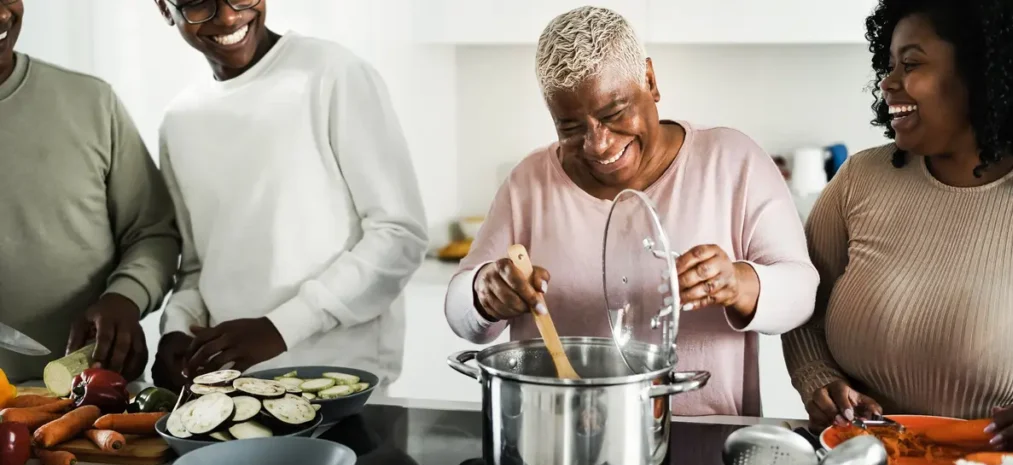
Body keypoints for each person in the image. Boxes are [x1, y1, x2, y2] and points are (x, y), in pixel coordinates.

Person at [444, 6, 818, 417]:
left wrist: (738, 283)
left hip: (705, 439)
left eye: (614, 114)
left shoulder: (732, 162)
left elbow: (802, 292)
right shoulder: (530, 182)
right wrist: (483, 293)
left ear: (651, 81)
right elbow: (461, 310)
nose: (598, 144)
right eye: (571, 128)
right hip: (558, 440)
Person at [149, 0, 428, 392]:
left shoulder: (333, 74)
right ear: (164, 7)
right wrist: (176, 329)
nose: (228, 16)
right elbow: (198, 266)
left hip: (340, 385)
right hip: (226, 391)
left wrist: (279, 329)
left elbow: (399, 235)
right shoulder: (178, 121)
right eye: (198, 2)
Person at [782, 0, 1013, 445]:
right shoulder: (860, 179)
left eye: (910, 64)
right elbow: (801, 301)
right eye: (889, 64)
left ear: (982, 74)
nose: (887, 82)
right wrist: (816, 378)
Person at [0, 0, 180, 383]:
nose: (2, 14)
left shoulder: (92, 102)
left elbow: (152, 232)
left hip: (98, 399)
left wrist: (126, 297)